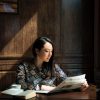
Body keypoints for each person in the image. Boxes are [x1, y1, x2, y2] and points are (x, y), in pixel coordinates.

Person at [16, 37, 89, 91]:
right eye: (47, 51)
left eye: (51, 51)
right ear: (37, 51)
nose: (50, 54)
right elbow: (20, 84)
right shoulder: (23, 66)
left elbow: (66, 81)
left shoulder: (53, 66)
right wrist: (43, 87)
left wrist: (79, 85)